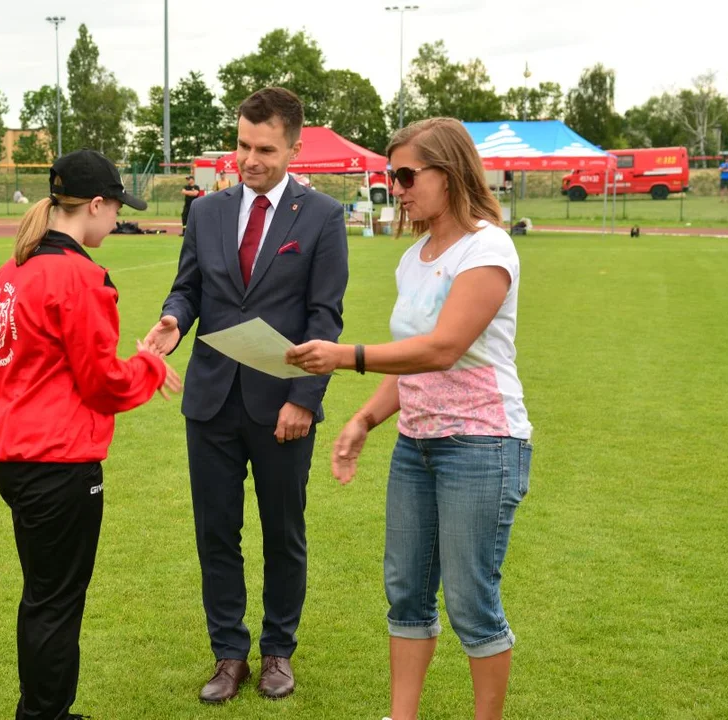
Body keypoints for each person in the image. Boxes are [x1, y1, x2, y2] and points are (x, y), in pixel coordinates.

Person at [284, 117, 533, 720]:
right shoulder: (414, 259)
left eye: (405, 174)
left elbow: (443, 347)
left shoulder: (489, 248)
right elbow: (413, 365)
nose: (394, 187)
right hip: (416, 446)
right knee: (406, 595)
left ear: (449, 173)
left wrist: (346, 357)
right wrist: (364, 420)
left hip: (481, 444)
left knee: (471, 600)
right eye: (389, 175)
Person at [144, 87, 348, 703]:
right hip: (209, 401)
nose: (249, 159)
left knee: (283, 530)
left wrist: (305, 400)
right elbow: (189, 289)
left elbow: (324, 317)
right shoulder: (205, 212)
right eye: (241, 145)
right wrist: (174, 320)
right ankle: (229, 654)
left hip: (281, 405)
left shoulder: (322, 217)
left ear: (294, 147)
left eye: (264, 148)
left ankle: (278, 652)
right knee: (216, 531)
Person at [0, 148, 183, 720]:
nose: (116, 220)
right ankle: (46, 715)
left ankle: (43, 711)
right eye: (115, 208)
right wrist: (151, 367)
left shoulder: (12, 270)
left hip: (16, 455)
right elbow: (102, 383)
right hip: (56, 460)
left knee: (44, 597)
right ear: (94, 204)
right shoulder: (78, 276)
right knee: (56, 603)